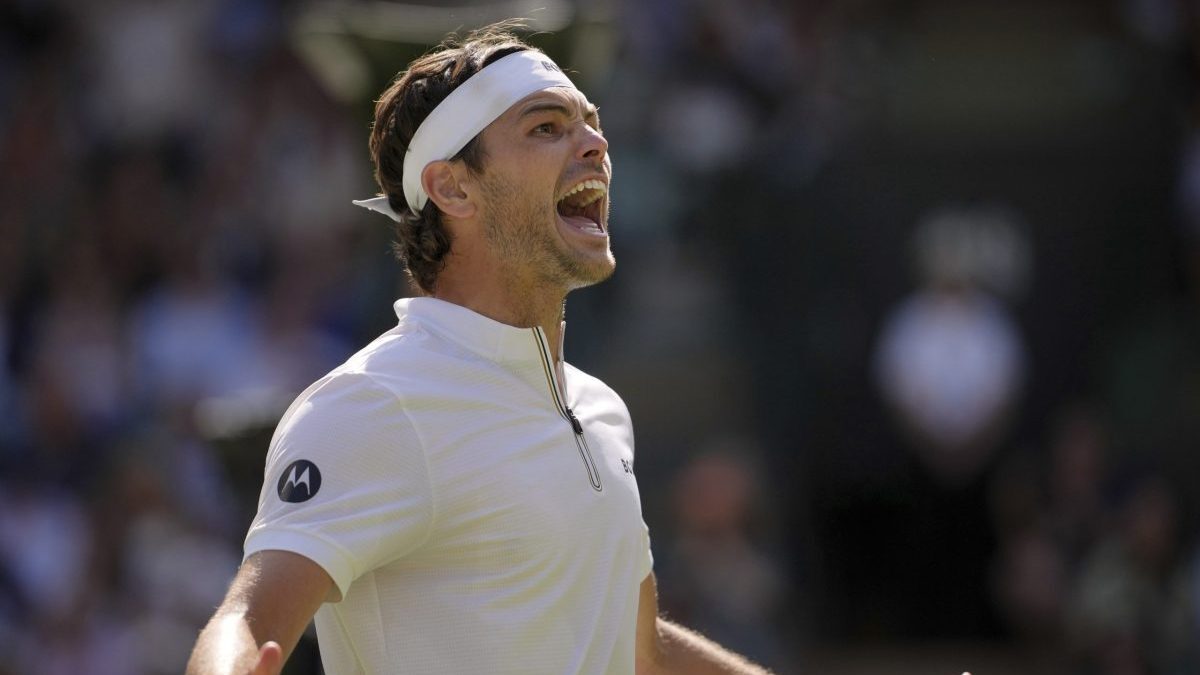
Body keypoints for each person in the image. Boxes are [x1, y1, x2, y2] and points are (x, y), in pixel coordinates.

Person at [186, 23, 770, 675]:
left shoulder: (600, 408)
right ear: (453, 188)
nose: (596, 144)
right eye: (546, 127)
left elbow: (638, 649)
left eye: (592, 123)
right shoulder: (373, 403)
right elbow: (247, 619)